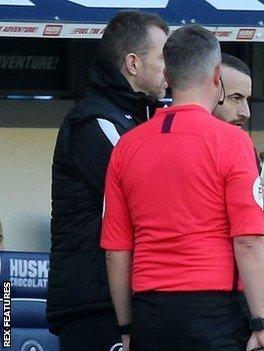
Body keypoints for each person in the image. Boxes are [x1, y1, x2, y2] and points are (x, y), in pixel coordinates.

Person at [100, 25, 264, 351]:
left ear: (167, 74)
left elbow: (116, 251)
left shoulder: (127, 146)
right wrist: (261, 323)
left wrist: (127, 328)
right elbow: (249, 240)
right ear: (217, 76)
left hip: (150, 312)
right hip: (214, 313)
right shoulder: (234, 142)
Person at [47, 11, 169, 351]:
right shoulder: (94, 121)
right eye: (163, 58)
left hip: (124, 301)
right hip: (95, 303)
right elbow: (150, 195)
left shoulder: (138, 117)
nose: (169, 70)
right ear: (132, 63)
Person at [213, 53, 264, 261]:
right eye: (236, 98)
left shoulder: (245, 149)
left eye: (247, 100)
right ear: (210, 91)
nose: (246, 112)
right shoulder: (171, 143)